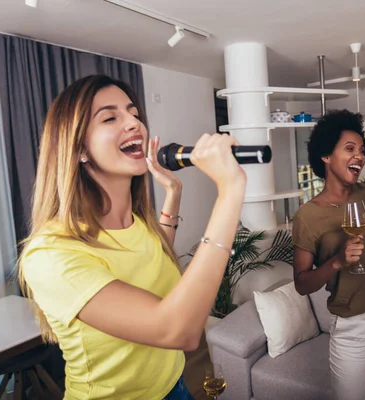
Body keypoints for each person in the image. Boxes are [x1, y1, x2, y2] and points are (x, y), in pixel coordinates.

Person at [18, 75, 247, 400]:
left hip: (174, 385)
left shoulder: (136, 223)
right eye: (111, 117)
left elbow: (152, 259)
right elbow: (177, 330)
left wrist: (173, 193)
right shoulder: (51, 254)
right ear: (78, 148)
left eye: (135, 114)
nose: (135, 124)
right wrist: (230, 190)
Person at [292, 109, 365, 400]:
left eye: (362, 150)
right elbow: (302, 283)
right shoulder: (308, 216)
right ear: (325, 156)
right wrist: (337, 262)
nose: (359, 156)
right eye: (349, 149)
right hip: (352, 323)